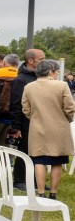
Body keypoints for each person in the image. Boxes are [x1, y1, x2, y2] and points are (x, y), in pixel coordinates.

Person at [22, 59, 75, 200]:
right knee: (57, 161)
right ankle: (53, 192)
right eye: (56, 72)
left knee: (39, 160)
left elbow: (25, 109)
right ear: (51, 71)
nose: (57, 74)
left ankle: (40, 192)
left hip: (37, 127)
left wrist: (35, 118)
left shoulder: (29, 87)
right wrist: (67, 119)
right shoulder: (62, 85)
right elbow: (70, 108)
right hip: (59, 128)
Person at [9, 48, 45, 191]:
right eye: (41, 59)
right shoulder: (20, 80)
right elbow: (16, 104)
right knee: (24, 150)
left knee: (39, 151)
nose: (44, 62)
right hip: (25, 122)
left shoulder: (41, 77)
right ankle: (19, 179)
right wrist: (16, 127)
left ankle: (37, 180)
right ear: (30, 60)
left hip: (40, 121)